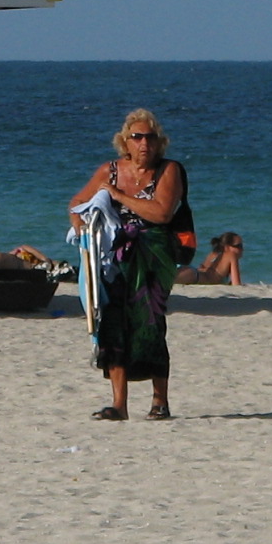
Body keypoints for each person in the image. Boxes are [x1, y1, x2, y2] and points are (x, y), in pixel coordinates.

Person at [68, 108, 186, 420]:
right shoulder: (110, 170)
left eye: (150, 137)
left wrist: (117, 196)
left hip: (153, 255)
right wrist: (85, 232)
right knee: (112, 322)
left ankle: (159, 401)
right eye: (137, 137)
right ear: (125, 142)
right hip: (115, 256)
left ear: (159, 142)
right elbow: (77, 204)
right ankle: (119, 403)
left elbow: (161, 213)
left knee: (150, 323)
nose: (143, 143)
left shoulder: (169, 170)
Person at [177, 232, 243, 286]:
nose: (242, 249)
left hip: (192, 272)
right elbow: (236, 284)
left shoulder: (213, 254)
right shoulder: (232, 255)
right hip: (194, 276)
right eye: (238, 246)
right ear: (227, 247)